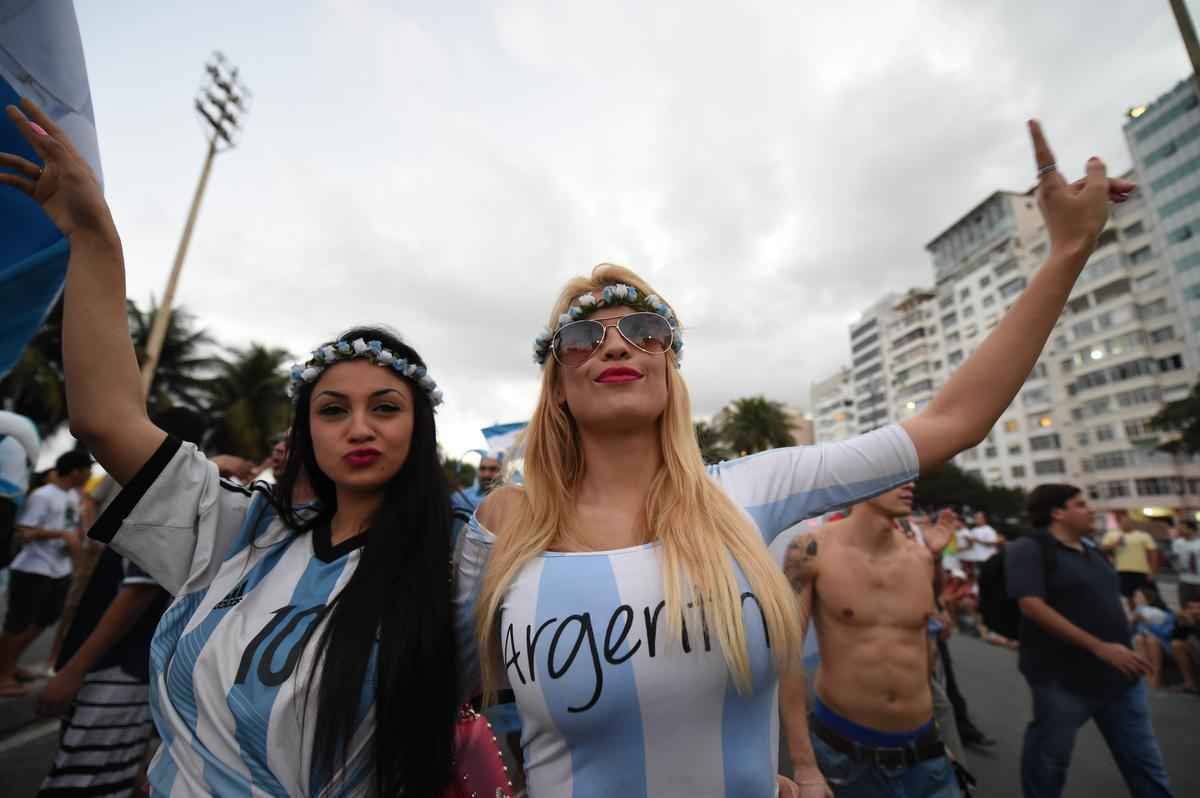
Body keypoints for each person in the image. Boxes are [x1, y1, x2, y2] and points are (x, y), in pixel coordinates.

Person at [0, 102, 459, 795]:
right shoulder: (239, 528)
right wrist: (95, 238)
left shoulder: (463, 560)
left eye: (386, 408)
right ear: (305, 432)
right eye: (333, 410)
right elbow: (106, 420)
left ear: (421, 429)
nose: (359, 427)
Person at [783, 485, 965, 795]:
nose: (910, 483)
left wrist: (934, 736)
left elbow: (924, 644)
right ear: (864, 475)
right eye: (896, 472)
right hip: (845, 754)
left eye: (911, 474)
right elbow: (786, 657)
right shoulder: (810, 550)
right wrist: (805, 766)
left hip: (924, 751)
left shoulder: (921, 557)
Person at [1007, 484, 1173, 798]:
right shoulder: (1029, 548)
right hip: (1062, 679)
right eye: (1081, 504)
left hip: (1121, 676)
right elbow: (1031, 605)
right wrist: (1100, 648)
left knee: (1144, 764)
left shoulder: (1093, 550)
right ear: (1057, 513)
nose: (1092, 509)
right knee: (1049, 762)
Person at [35, 550, 170, 797]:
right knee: (108, 775)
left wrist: (74, 671)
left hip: (118, 670)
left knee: (84, 781)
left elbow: (140, 591)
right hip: (115, 667)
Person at [0, 449, 92, 695]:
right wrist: (60, 535)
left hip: (58, 570)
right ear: (75, 472)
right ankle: (2, 675)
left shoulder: (71, 495)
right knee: (18, 623)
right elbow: (24, 531)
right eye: (87, 470)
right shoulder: (43, 495)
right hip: (33, 568)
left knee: (46, 619)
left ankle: (9, 664)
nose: (89, 474)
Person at [1101, 510, 1159, 599]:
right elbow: (1102, 550)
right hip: (1121, 571)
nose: (1126, 523)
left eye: (1128, 521)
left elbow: (1153, 553)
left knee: (1150, 596)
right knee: (1126, 597)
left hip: (1142, 571)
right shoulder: (1112, 535)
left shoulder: (1143, 536)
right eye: (1123, 521)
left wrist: (1153, 571)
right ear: (1119, 523)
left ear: (1133, 523)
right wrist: (1115, 544)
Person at [1130, 585, 1176, 690]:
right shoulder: (1137, 612)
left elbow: (1167, 633)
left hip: (1163, 645)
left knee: (1152, 640)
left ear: (1149, 599)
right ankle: (1147, 678)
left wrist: (1148, 622)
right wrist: (1132, 623)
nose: (1135, 600)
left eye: (1138, 597)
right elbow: (1129, 634)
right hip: (1142, 644)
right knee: (1139, 638)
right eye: (1135, 597)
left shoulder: (1167, 614)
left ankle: (1156, 678)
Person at [1169, 601, 1200, 695]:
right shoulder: (1190, 619)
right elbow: (1175, 637)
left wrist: (1194, 624)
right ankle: (1190, 684)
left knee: (1191, 641)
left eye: (1198, 608)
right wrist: (1180, 623)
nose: (1195, 611)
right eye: (1191, 608)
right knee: (1177, 644)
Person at [1168, 519, 1200, 606]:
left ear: (1191, 529)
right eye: (1179, 528)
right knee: (1185, 607)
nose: (1180, 530)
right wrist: (1176, 566)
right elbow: (1175, 561)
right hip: (1185, 580)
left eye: (1182, 528)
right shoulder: (1177, 543)